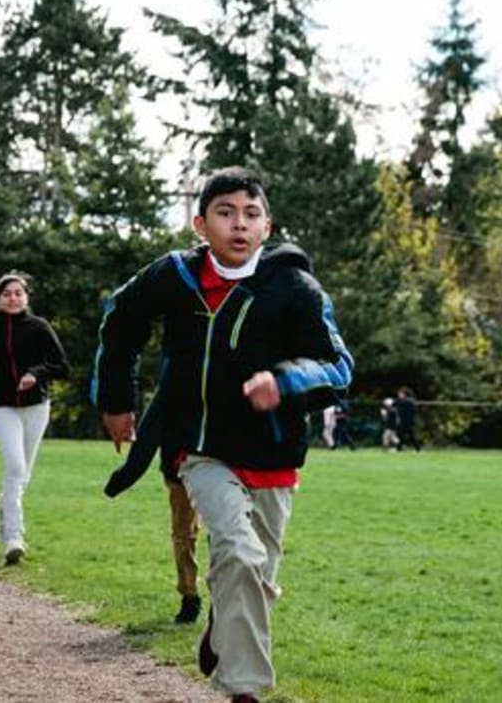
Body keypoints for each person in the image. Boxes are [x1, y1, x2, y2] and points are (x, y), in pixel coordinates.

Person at [94, 166, 354, 703]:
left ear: (267, 226)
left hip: (274, 453)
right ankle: (245, 690)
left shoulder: (296, 288)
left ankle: (222, 626)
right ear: (200, 223)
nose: (240, 224)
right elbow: (119, 323)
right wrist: (117, 402)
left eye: (251, 214)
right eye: (226, 213)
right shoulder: (175, 276)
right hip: (199, 447)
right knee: (237, 550)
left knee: (254, 574)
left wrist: (284, 381)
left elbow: (339, 367)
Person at [0, 273, 69, 565]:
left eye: (18, 293)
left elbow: (61, 366)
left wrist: (36, 373)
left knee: (22, 475)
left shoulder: (39, 327)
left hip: (37, 407)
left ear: (26, 297)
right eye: (7, 293)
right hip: (3, 406)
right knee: (15, 467)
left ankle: (5, 516)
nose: (13, 297)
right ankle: (13, 537)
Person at [395, 386, 422, 451]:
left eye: (400, 394)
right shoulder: (408, 401)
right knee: (403, 435)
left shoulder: (407, 401)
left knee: (408, 435)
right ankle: (400, 448)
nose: (399, 395)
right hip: (406, 421)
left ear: (404, 394)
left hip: (407, 421)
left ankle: (417, 448)